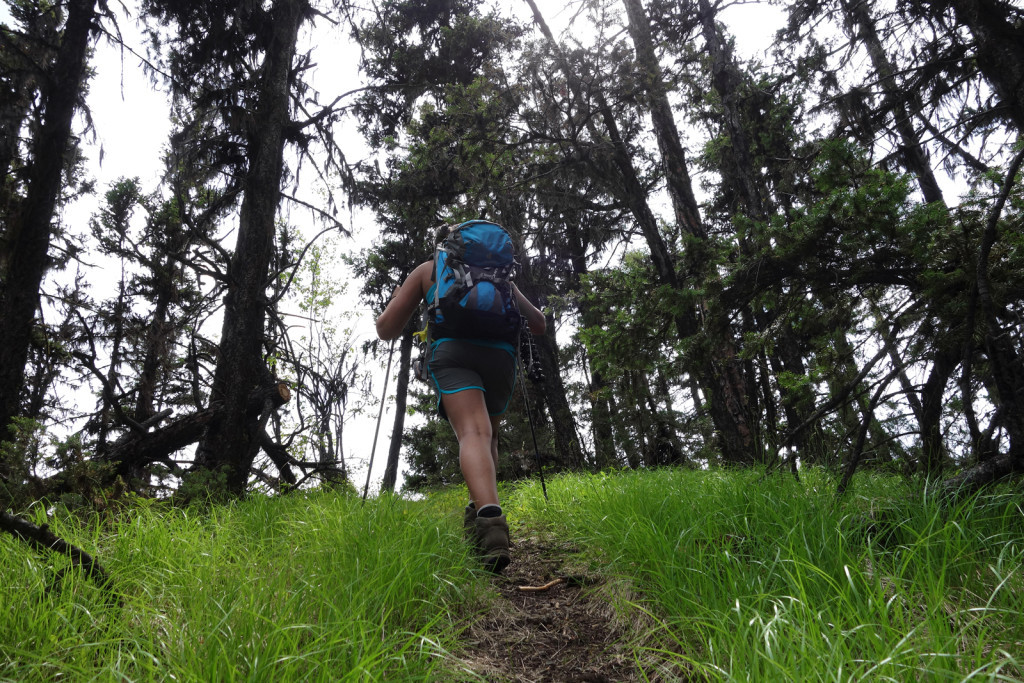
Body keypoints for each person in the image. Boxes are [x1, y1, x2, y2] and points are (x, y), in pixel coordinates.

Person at [375, 225, 546, 572]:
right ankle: (479, 518)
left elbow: (386, 329)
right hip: (500, 358)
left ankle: (490, 521)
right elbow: (539, 323)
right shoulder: (500, 279)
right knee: (488, 435)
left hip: (452, 353)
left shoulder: (429, 271)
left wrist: (396, 298)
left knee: (472, 433)